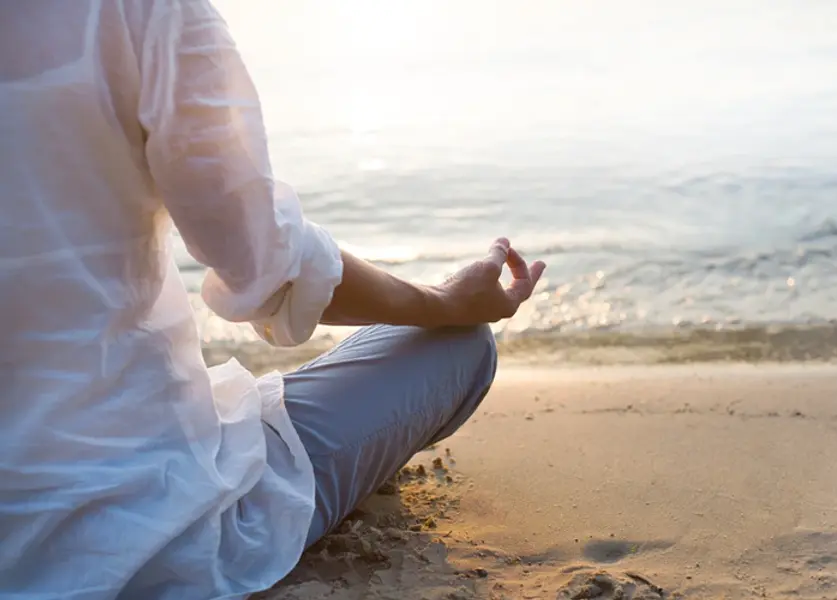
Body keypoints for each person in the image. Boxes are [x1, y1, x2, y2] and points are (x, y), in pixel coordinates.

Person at [0, 1, 546, 599]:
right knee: (458, 349)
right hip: (139, 527)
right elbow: (265, 269)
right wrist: (444, 302)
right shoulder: (140, 13)